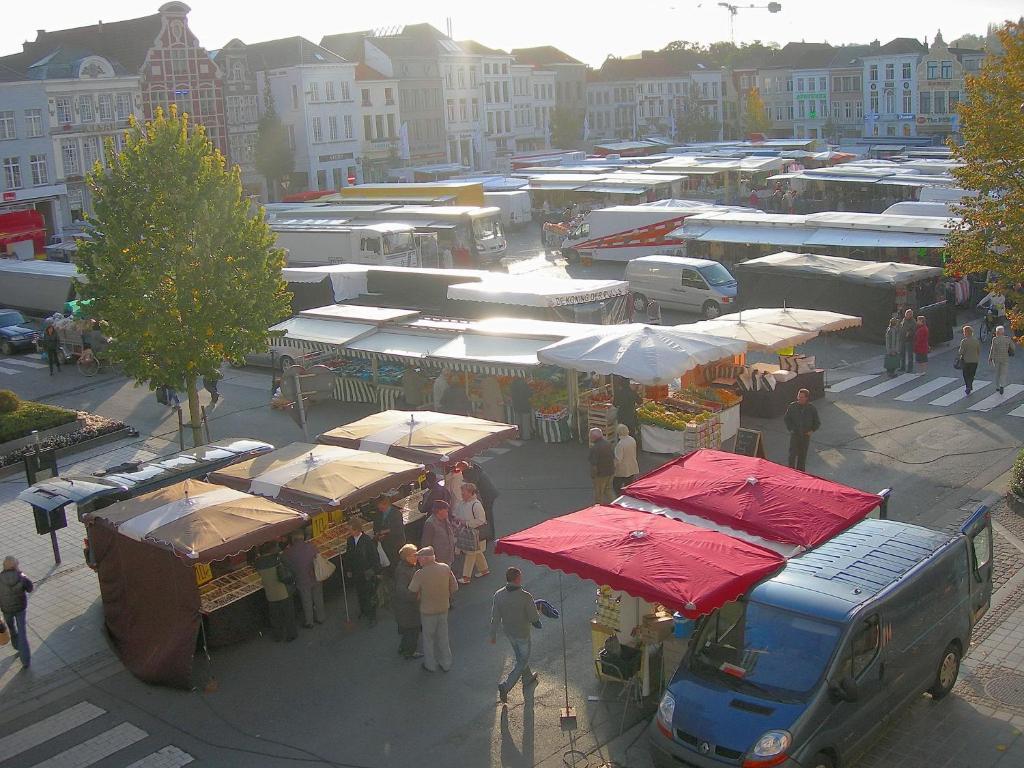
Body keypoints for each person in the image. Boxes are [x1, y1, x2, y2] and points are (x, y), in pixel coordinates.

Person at [490, 566, 542, 704]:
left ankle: (527, 678)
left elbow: (495, 616)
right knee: (522, 660)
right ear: (517, 579)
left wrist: (493, 634)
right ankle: (506, 686)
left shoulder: (498, 594)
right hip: (522, 633)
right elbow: (533, 618)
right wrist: (539, 612)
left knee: (519, 655)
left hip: (509, 632)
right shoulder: (525, 596)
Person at [408, 546, 458, 672]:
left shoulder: (420, 573)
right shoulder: (445, 568)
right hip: (443, 608)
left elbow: (412, 590)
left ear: (425, 559)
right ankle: (446, 663)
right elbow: (454, 587)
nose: (418, 560)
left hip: (427, 611)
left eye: (419, 558)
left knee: (428, 638)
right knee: (443, 636)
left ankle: (430, 665)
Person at [254, 542, 297, 642]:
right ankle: (291, 634)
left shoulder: (258, 562)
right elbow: (290, 568)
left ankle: (278, 635)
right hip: (283, 590)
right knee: (288, 614)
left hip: (270, 593)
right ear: (272, 549)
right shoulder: (278, 558)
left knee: (275, 617)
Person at [281, 531, 324, 628]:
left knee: (306, 601)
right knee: (318, 598)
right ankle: (321, 617)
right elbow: (318, 555)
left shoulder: (289, 552)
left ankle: (309, 622)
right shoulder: (311, 546)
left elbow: (282, 559)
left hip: (302, 580)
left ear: (292, 540)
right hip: (315, 576)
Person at [344, 520, 381, 625]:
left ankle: (372, 616)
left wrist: (376, 571)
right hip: (356, 572)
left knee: (369, 594)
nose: (349, 532)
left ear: (356, 530)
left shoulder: (367, 540)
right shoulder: (350, 540)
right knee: (360, 592)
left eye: (350, 529)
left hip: (367, 572)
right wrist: (349, 569)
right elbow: (349, 556)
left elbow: (374, 556)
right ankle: (363, 610)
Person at [0, 556, 34, 668]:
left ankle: (16, 645)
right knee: (22, 632)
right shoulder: (21, 577)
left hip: (6, 610)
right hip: (20, 609)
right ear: (15, 566)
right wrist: (21, 574)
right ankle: (26, 661)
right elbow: (30, 588)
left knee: (12, 628)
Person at [455, 483, 489, 584]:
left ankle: (466, 577)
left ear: (470, 493)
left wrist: (466, 523)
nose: (462, 494)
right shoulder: (463, 503)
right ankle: (484, 570)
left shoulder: (476, 505)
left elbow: (481, 520)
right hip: (469, 533)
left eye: (464, 492)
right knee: (476, 551)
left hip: (475, 533)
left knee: (470, 553)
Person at [393, 544, 423, 659]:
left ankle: (403, 648)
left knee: (407, 631)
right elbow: (402, 591)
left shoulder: (406, 567)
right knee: (413, 631)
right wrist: (416, 596)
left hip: (405, 608)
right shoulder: (404, 572)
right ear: (407, 557)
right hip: (408, 608)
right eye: (414, 554)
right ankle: (410, 652)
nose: (417, 556)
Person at [783, 388, 820, 472]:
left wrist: (812, 430)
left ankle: (801, 473)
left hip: (805, 435)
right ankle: (791, 471)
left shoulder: (811, 408)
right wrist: (791, 429)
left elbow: (817, 422)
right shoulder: (792, 406)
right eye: (798, 396)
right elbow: (787, 419)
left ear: (806, 398)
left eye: (802, 397)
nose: (799, 398)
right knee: (792, 454)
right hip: (795, 434)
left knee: (802, 455)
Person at [462, 461, 498, 544]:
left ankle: (488, 535)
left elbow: (471, 485)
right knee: (488, 515)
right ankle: (490, 534)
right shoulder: (475, 470)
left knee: (487, 515)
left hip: (487, 496)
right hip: (490, 494)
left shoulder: (471, 474)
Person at [373, 494, 407, 573]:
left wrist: (385, 531)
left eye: (381, 507)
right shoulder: (378, 514)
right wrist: (378, 535)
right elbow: (376, 527)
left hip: (396, 543)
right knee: (390, 563)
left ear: (386, 504)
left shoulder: (396, 514)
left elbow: (398, 529)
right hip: (385, 544)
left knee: (397, 563)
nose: (380, 509)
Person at [420, 500, 457, 568]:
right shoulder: (430, 524)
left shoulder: (445, 518)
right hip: (439, 558)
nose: (447, 512)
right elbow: (426, 543)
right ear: (439, 511)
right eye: (446, 511)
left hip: (448, 554)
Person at [589, 427, 615, 504]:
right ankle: (616, 504)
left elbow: (594, 464)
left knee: (599, 493)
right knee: (608, 490)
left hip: (601, 474)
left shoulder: (595, 448)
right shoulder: (608, 444)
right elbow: (613, 457)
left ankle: (598, 509)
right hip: (610, 472)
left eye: (590, 436)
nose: (589, 437)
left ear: (594, 437)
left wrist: (593, 475)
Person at [613, 423, 640, 496]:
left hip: (622, 469)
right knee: (628, 485)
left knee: (616, 486)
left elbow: (618, 459)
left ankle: (619, 498)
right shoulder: (632, 439)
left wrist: (613, 467)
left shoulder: (620, 444)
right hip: (632, 466)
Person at [989, 325, 1015, 395]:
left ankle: (997, 387)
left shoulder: (995, 339)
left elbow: (992, 349)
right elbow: (1013, 347)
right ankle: (1002, 385)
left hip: (996, 359)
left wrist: (990, 358)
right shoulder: (1007, 339)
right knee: (1003, 373)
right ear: (1003, 332)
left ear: (997, 332)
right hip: (1005, 358)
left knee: (997, 373)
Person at [612, 376, 640, 440]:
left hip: (621, 415)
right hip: (630, 415)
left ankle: (621, 446)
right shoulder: (632, 392)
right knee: (631, 433)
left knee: (621, 432)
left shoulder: (618, 392)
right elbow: (640, 401)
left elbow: (615, 404)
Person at [508, 376, 534, 440]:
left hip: (516, 405)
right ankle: (526, 436)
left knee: (517, 422)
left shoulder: (513, 385)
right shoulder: (526, 386)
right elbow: (529, 394)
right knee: (525, 422)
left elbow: (511, 394)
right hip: (525, 406)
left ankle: (517, 435)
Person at [958, 325, 981, 395]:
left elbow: (960, 352)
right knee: (972, 374)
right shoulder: (976, 341)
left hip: (966, 361)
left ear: (966, 333)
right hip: (974, 361)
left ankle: (968, 386)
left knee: (966, 374)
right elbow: (978, 351)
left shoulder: (964, 341)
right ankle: (969, 385)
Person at [899, 308, 916, 373]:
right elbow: (901, 327)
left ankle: (910, 368)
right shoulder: (904, 320)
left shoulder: (913, 322)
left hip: (909, 340)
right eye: (906, 314)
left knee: (910, 355)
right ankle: (902, 367)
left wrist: (909, 333)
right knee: (902, 354)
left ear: (911, 315)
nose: (907, 315)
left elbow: (914, 331)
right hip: (902, 339)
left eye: (908, 314)